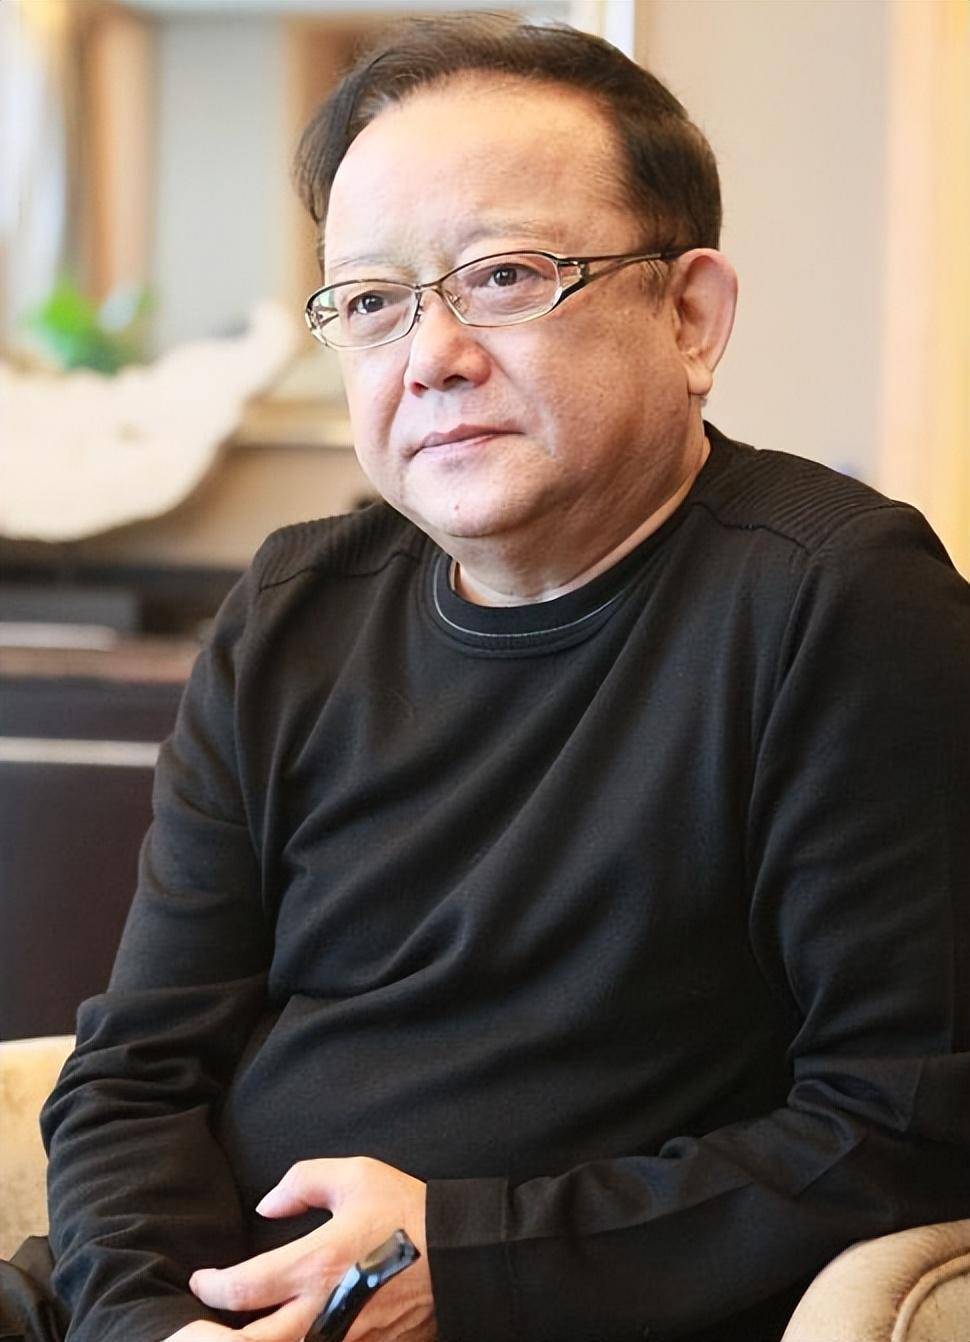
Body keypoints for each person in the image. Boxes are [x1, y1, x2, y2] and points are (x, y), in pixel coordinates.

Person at [4, 13, 969, 1342]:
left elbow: (906, 1118)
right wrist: (148, 1325)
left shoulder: (835, 601)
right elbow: (137, 1066)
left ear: (690, 315)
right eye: (371, 302)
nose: (431, 357)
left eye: (505, 276)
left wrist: (456, 1262)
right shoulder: (292, 607)